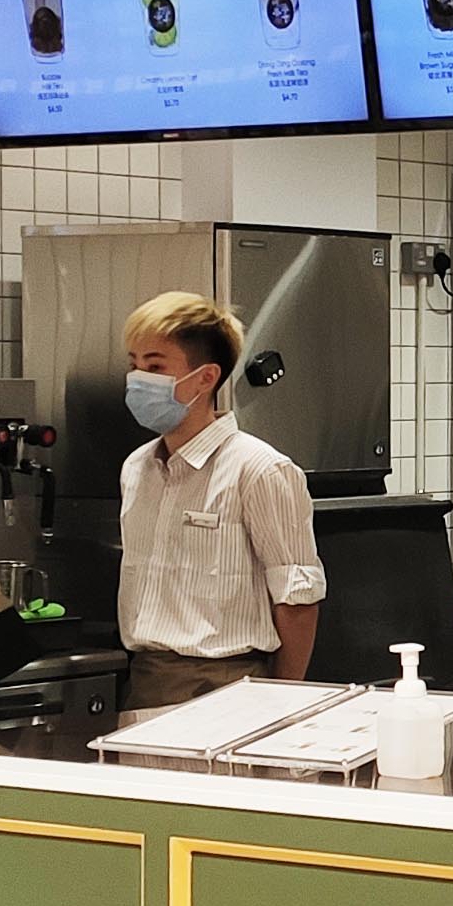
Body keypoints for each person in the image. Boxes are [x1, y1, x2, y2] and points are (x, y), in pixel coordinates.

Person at [115, 291, 326, 709]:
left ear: (205, 378)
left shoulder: (260, 469)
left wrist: (282, 701)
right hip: (145, 679)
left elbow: (297, 597)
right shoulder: (137, 468)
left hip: (229, 685)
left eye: (155, 366)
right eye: (133, 364)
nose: (139, 378)